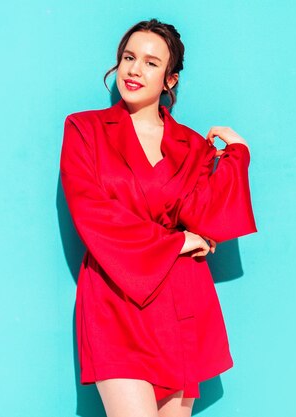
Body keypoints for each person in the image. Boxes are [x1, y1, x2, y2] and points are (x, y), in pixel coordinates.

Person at [59, 18, 257, 417]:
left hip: (180, 300)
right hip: (113, 298)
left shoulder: (193, 146)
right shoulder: (85, 129)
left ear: (170, 79)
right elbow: (91, 214)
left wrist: (237, 157)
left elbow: (207, 220)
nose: (134, 69)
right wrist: (179, 240)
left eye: (151, 62)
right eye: (129, 57)